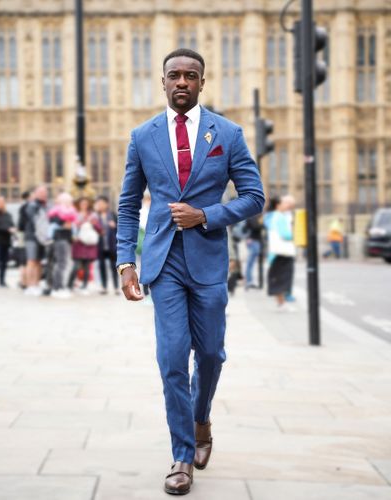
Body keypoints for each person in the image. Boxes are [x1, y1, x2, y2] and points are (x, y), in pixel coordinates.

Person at [116, 48, 265, 495]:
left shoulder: (228, 133)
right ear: (163, 82)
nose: (182, 82)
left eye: (190, 76)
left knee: (213, 355)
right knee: (171, 359)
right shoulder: (143, 136)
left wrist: (206, 215)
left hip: (207, 260)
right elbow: (127, 205)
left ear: (202, 82)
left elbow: (254, 197)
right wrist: (126, 261)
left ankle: (202, 421)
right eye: (174, 75)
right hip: (163, 263)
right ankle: (182, 455)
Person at [267, 194, 296, 312]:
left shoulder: (272, 216)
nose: (288, 206)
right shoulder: (279, 217)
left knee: (278, 278)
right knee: (281, 279)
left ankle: (281, 303)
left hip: (275, 252)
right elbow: (286, 234)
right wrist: (295, 234)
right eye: (285, 203)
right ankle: (282, 304)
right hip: (282, 252)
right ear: (278, 205)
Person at [68, 197, 101, 295]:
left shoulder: (93, 215)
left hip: (89, 244)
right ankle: (69, 284)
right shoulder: (75, 214)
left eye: (86, 203)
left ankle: (84, 286)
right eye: (82, 203)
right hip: (78, 242)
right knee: (76, 265)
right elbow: (70, 226)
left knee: (87, 266)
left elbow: (99, 229)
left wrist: (94, 224)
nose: (84, 205)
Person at [48, 192, 77, 298]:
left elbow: (70, 224)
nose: (70, 203)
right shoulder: (56, 212)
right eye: (68, 201)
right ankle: (57, 288)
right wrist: (67, 224)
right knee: (61, 264)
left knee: (64, 264)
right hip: (60, 239)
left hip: (66, 239)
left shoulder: (67, 211)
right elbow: (65, 224)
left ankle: (60, 287)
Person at [24, 185, 49, 296]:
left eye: (45, 192)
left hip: (42, 238)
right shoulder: (32, 205)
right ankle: (30, 286)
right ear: (36, 193)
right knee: (31, 261)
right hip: (32, 237)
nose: (44, 194)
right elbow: (35, 220)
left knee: (38, 261)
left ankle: (36, 284)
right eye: (41, 192)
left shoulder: (45, 206)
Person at [94, 196, 119, 295]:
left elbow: (121, 229)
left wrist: (115, 225)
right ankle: (104, 287)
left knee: (114, 266)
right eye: (98, 203)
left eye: (102, 203)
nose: (100, 205)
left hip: (112, 244)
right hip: (100, 245)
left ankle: (116, 287)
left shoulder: (112, 215)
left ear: (107, 204)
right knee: (102, 266)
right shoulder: (95, 216)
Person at [0, 196, 15, 288]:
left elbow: (12, 224)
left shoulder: (8, 215)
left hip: (6, 241)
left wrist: (12, 229)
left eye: (2, 202)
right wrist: (7, 229)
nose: (0, 204)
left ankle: (2, 281)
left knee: (4, 262)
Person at [244, 214, 263, 289]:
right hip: (253, 241)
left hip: (254, 241)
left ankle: (249, 280)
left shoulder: (253, 216)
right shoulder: (252, 216)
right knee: (250, 262)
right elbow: (256, 227)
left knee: (251, 262)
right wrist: (262, 223)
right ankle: (249, 281)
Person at [17, 190, 31, 289]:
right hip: (26, 234)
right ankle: (24, 281)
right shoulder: (28, 207)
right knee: (26, 259)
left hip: (22, 234)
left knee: (23, 259)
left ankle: (23, 281)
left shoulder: (22, 207)